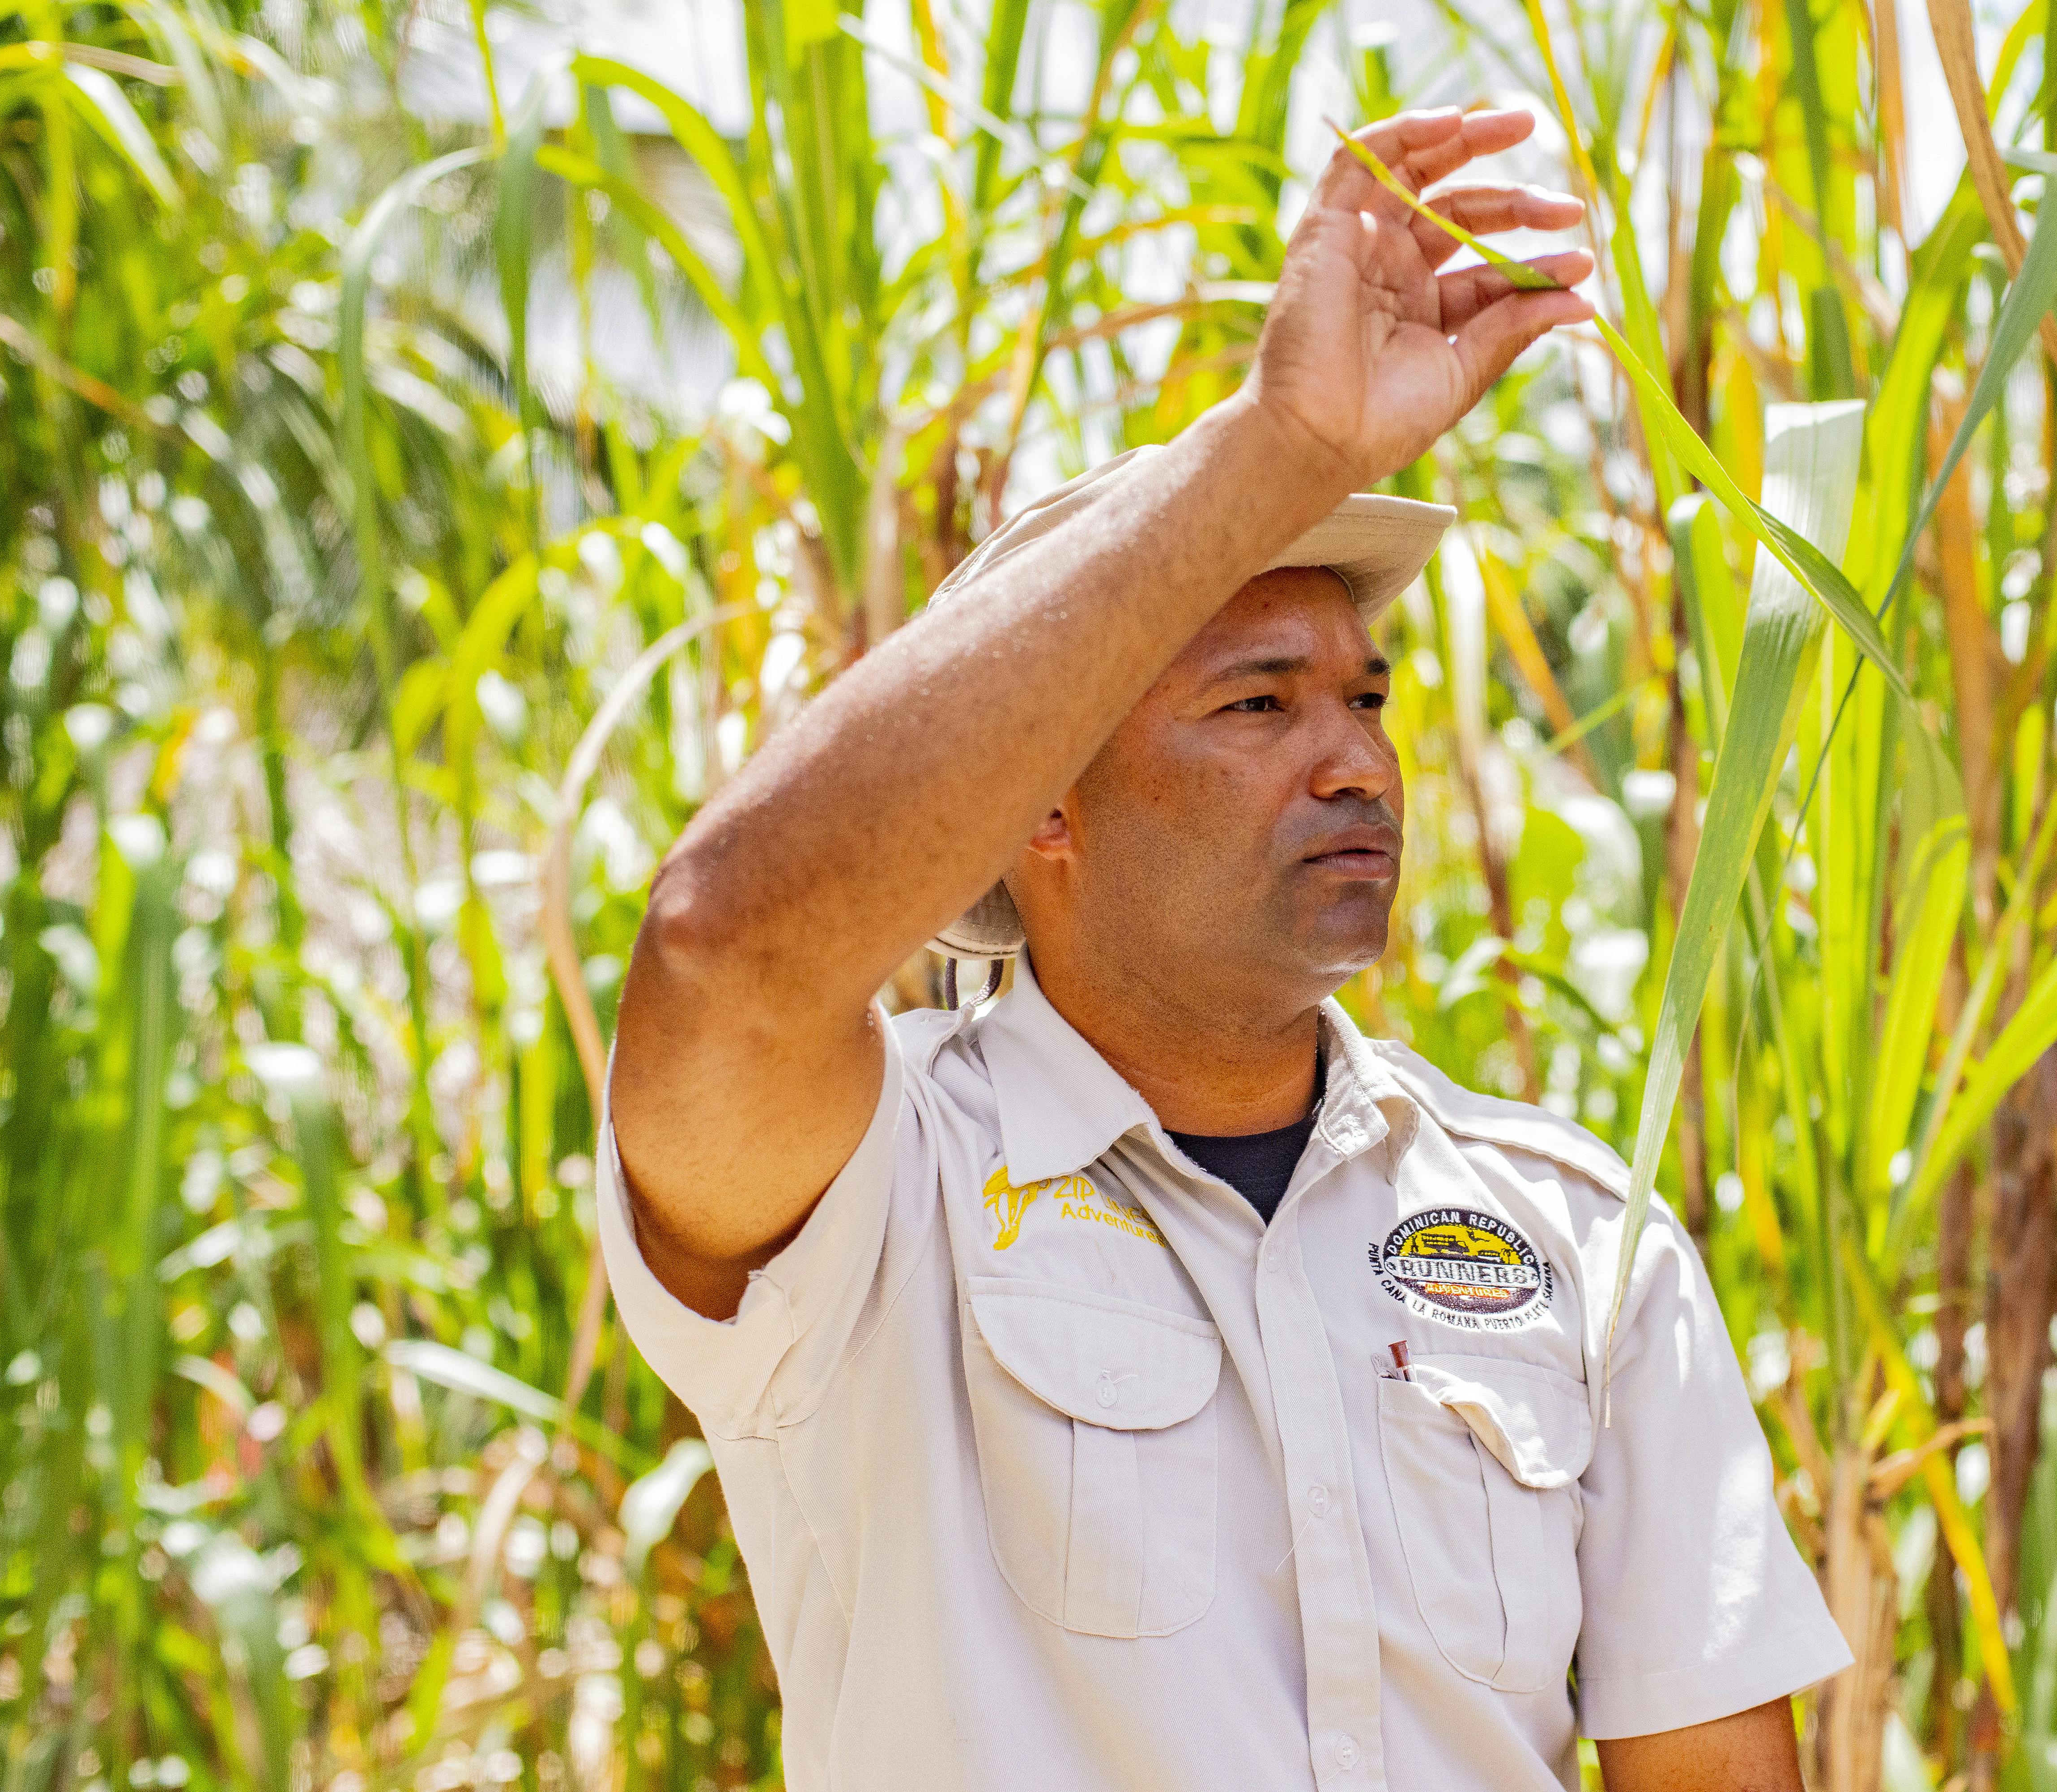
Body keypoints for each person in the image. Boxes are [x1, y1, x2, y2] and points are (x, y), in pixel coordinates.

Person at [603, 105, 1849, 1792]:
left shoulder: (1572, 1233)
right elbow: (716, 950)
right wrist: (1280, 447)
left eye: (1364, 699)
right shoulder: (875, 1203)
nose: (1352, 759)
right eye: (1255, 703)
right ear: (1035, 808)